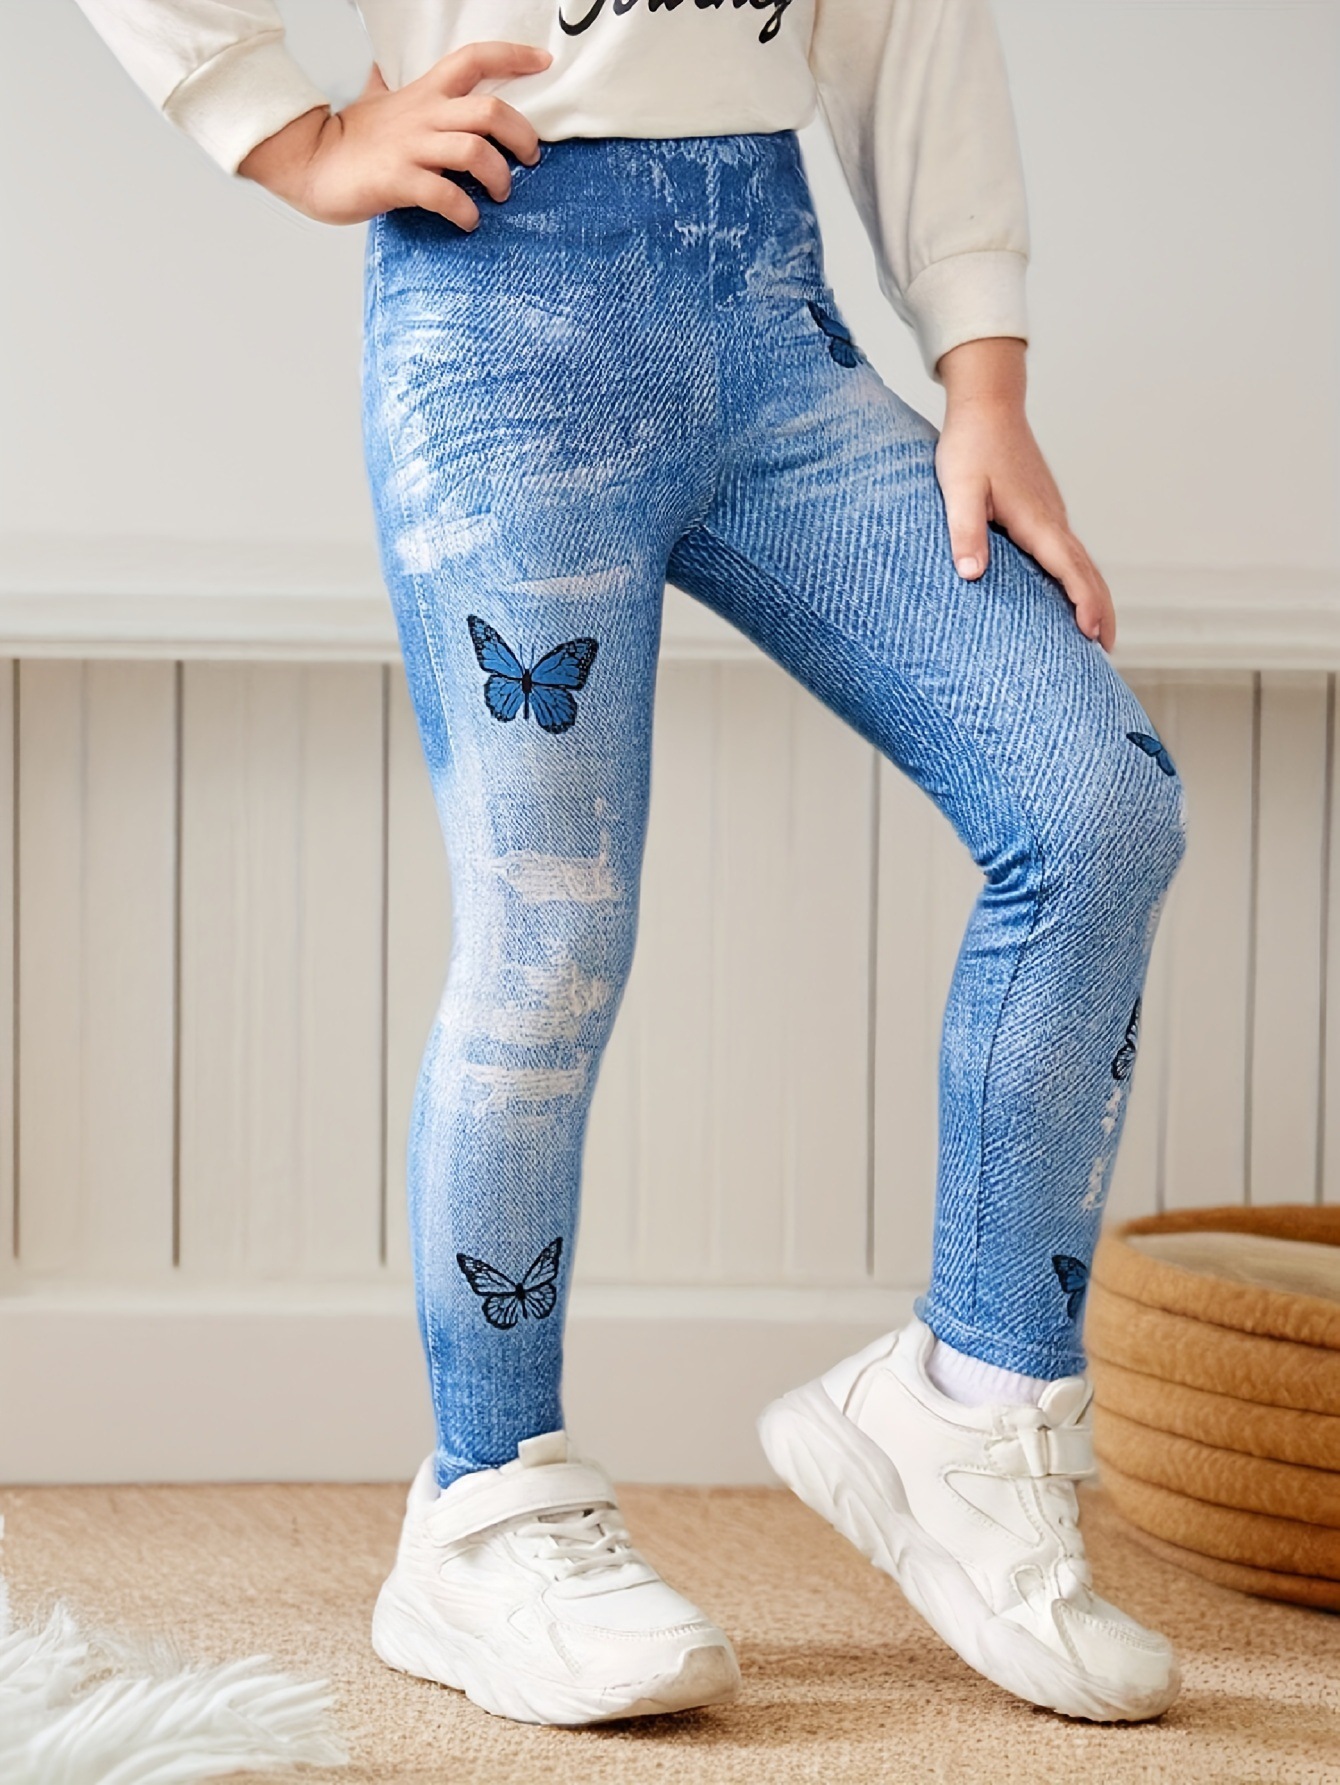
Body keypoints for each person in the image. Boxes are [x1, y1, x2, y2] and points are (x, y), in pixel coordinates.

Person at [73, 0, 1186, 1731]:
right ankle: (485, 1501)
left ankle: (968, 1413)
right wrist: (289, 136)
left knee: (1097, 806)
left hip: (771, 310)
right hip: (497, 313)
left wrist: (986, 376)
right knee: (550, 935)